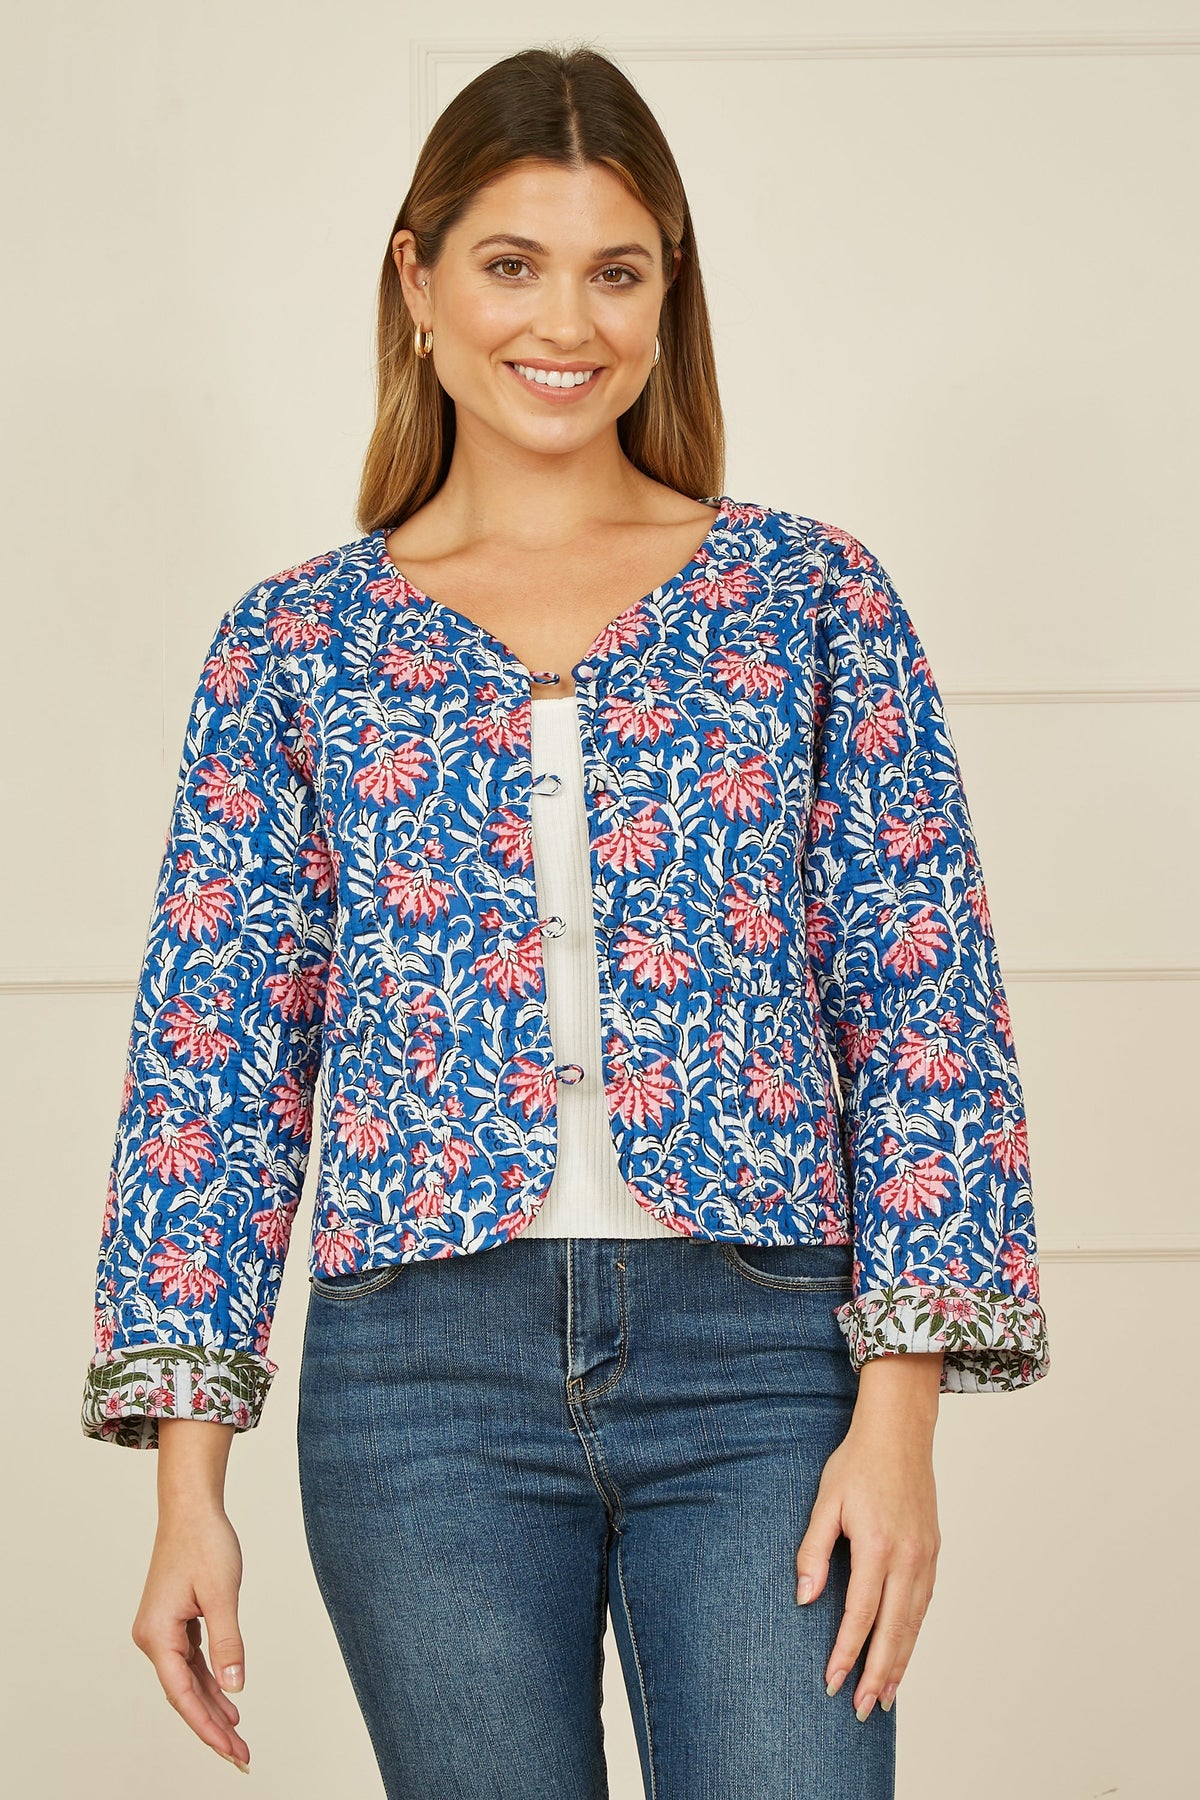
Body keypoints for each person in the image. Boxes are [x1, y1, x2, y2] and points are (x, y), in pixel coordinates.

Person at [81, 42, 1050, 1800]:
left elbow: (924, 1010)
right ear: (418, 279)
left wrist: (899, 1421)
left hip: (763, 1361)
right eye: (513, 263)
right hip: (419, 1384)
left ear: (670, 296)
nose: (566, 321)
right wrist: (187, 1494)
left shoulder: (809, 598)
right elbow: (216, 1067)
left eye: (618, 272)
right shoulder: (295, 646)